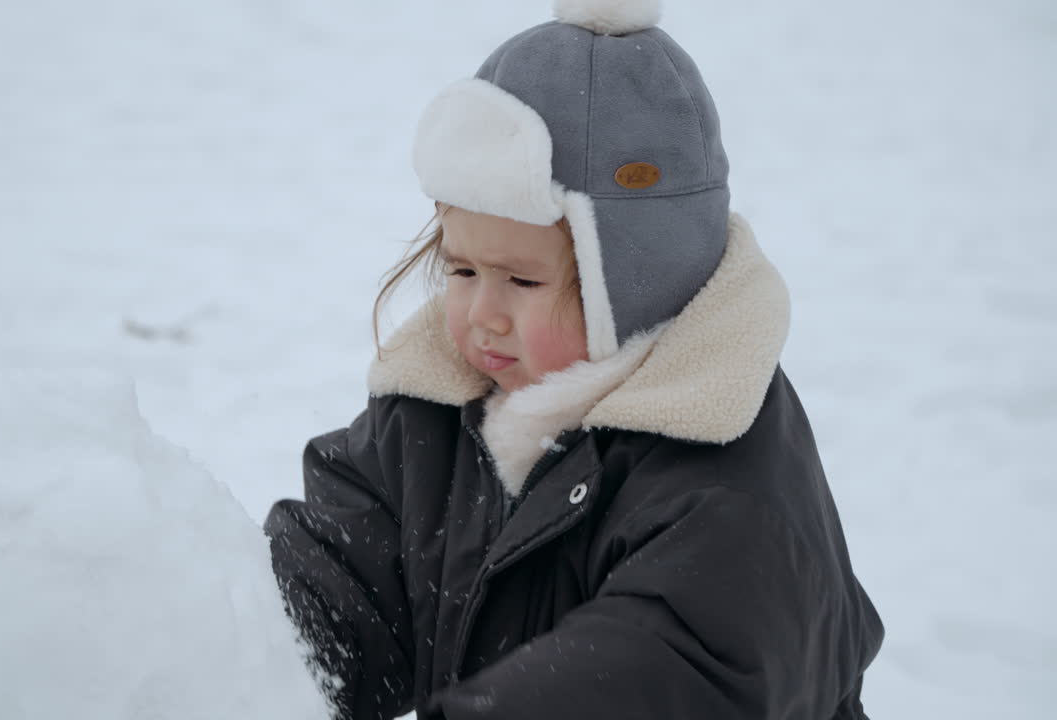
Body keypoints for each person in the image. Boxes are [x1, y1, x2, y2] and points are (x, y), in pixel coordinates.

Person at [264, 1, 884, 718]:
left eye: (522, 280)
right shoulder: (434, 420)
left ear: (639, 282)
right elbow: (345, 581)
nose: (480, 314)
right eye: (461, 270)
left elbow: (665, 666)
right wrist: (232, 639)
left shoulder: (727, 482)